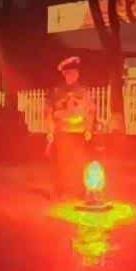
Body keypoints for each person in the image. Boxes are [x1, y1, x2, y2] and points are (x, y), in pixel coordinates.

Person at [45, 56, 96, 199]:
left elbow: (90, 112)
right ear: (64, 74)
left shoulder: (84, 91)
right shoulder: (56, 92)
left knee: (80, 163)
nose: (71, 76)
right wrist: (50, 131)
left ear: (77, 74)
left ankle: (80, 191)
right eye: (68, 74)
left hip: (79, 133)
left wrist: (88, 129)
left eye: (73, 73)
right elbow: (48, 112)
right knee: (61, 164)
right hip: (62, 133)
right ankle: (60, 191)